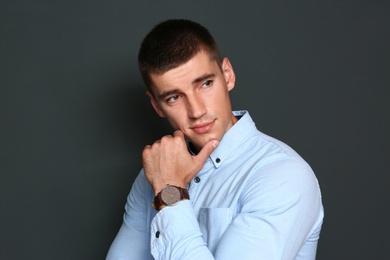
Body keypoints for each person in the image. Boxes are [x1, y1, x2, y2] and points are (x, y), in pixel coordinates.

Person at [106, 19, 324, 260]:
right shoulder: (155, 173)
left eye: (205, 84)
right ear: (156, 105)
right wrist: (165, 183)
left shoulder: (283, 174)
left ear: (228, 75)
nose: (196, 110)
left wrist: (170, 192)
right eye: (174, 97)